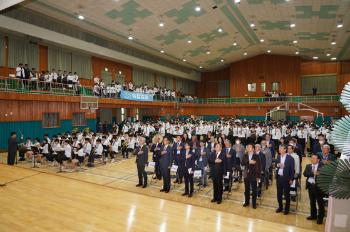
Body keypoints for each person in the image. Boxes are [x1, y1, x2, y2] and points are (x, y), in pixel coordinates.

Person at [304, 154, 325, 225]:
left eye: (314, 158)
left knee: (320, 203)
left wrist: (320, 174)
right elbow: (305, 174)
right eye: (311, 158)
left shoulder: (323, 166)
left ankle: (320, 217)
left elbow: (326, 176)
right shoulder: (308, 166)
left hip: (318, 187)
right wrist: (312, 173)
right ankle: (313, 215)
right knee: (312, 202)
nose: (312, 159)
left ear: (318, 160)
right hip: (310, 186)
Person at [275, 144, 295, 215]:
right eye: (279, 148)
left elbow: (292, 170)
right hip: (279, 178)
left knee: (286, 194)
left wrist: (291, 179)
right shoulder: (278, 156)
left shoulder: (290, 158)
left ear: (285, 150)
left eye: (281, 149)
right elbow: (275, 165)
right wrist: (278, 165)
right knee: (279, 194)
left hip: (286, 179)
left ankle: (287, 209)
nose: (279, 150)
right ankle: (280, 207)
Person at [242, 143, 261, 209]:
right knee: (246, 189)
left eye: (249, 147)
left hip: (254, 175)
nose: (248, 148)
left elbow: (259, 166)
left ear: (253, 149)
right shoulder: (245, 155)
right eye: (247, 147)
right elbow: (242, 163)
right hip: (246, 174)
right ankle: (247, 202)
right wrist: (249, 162)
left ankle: (254, 203)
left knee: (254, 190)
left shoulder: (256, 156)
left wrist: (258, 176)